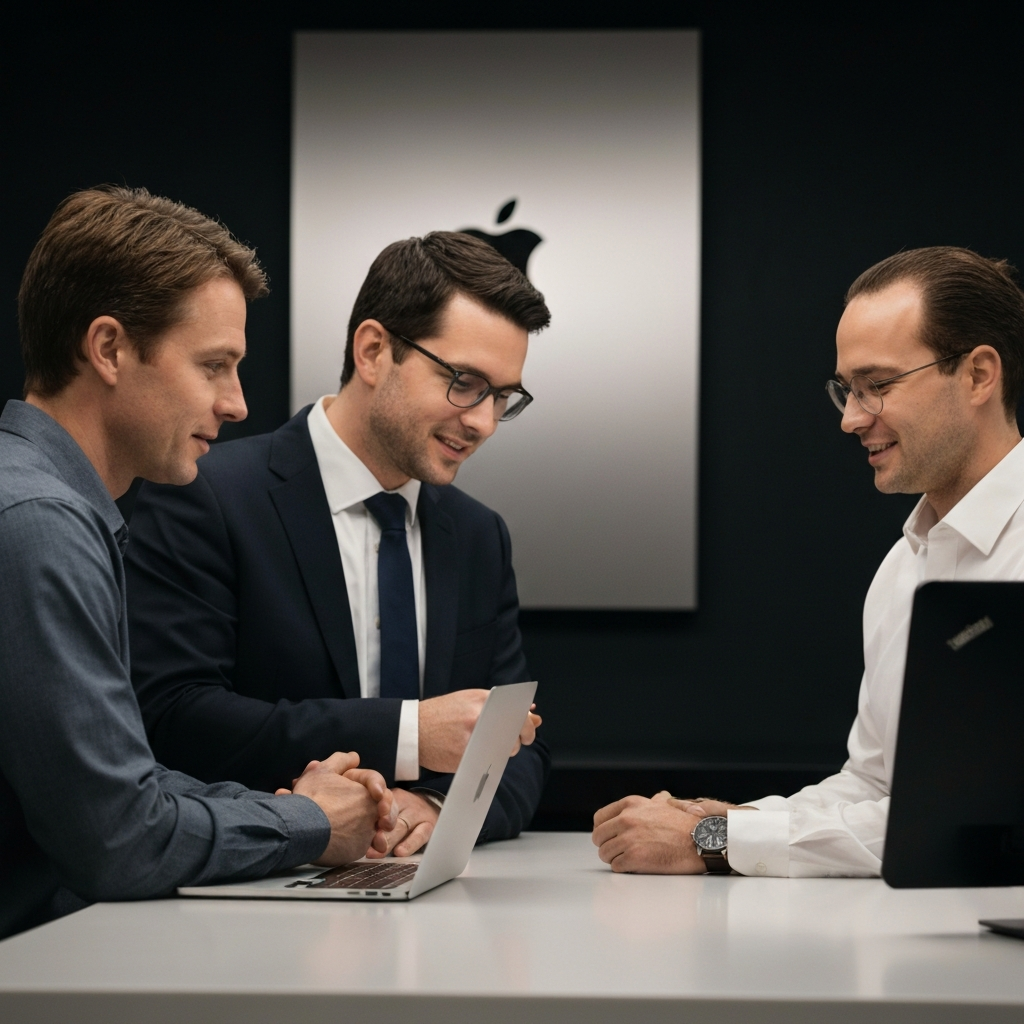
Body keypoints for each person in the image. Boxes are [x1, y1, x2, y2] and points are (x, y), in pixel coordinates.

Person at [0, 186, 395, 941]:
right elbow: (116, 840)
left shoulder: (54, 510)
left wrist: (294, 810)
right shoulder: (40, 524)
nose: (239, 403)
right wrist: (307, 821)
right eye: (214, 365)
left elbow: (124, 788)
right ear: (109, 348)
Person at [592, 246, 1024, 877]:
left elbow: (972, 817)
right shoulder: (903, 568)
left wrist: (717, 837)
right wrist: (731, 822)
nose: (851, 419)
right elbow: (874, 787)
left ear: (980, 374)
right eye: (846, 390)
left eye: (877, 385)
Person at [124, 231, 551, 858]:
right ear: (374, 351)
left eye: (503, 397)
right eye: (464, 382)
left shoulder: (479, 536)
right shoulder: (208, 494)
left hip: (431, 907)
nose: (483, 421)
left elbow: (521, 746)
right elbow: (174, 718)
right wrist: (410, 733)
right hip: (248, 899)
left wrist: (432, 806)